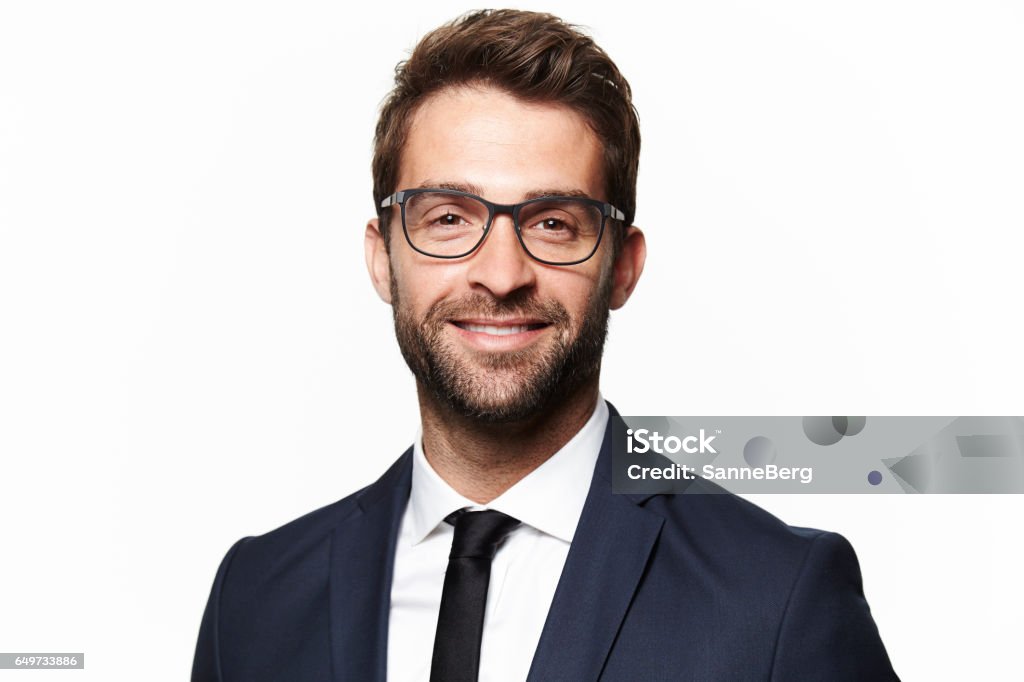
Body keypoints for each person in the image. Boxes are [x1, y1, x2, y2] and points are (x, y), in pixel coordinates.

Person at [192, 9, 898, 681]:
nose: (501, 275)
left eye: (554, 223)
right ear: (383, 259)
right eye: (447, 218)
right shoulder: (254, 600)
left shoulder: (776, 599)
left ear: (621, 265)